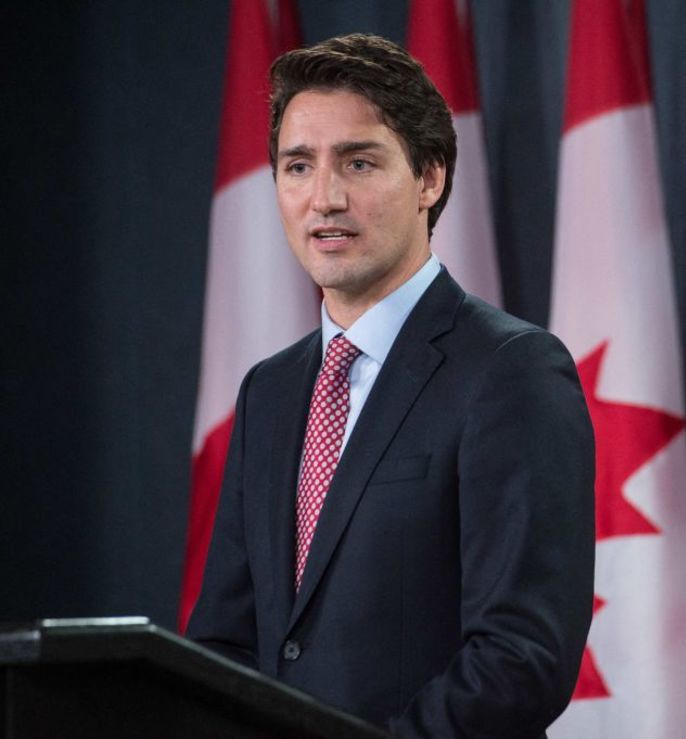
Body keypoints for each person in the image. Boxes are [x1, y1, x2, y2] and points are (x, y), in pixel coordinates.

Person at [186, 33, 596, 739]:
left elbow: (522, 658)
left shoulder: (513, 371)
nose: (325, 197)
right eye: (298, 166)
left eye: (359, 161)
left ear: (429, 178)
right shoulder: (270, 392)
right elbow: (227, 642)